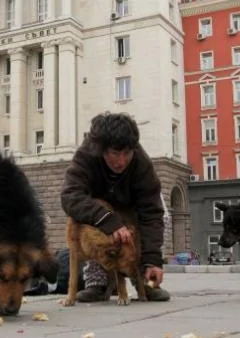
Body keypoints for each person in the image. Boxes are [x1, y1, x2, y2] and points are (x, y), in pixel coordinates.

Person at [60, 112, 171, 302]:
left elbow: (152, 212)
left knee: (145, 224)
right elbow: (70, 196)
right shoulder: (86, 155)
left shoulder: (141, 163)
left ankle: (145, 278)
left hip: (131, 207)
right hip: (99, 211)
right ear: (101, 150)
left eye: (127, 154)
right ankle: (97, 282)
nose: (121, 162)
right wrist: (107, 220)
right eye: (114, 154)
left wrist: (153, 259)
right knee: (86, 223)